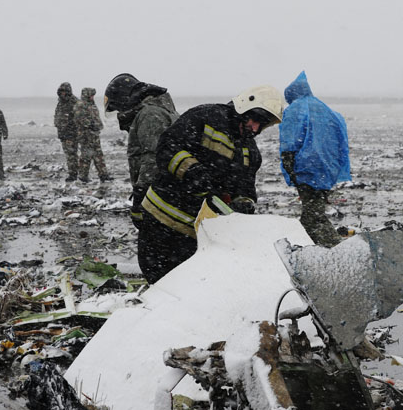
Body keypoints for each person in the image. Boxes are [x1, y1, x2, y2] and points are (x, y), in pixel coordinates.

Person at [136, 84, 285, 283]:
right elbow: (167, 147)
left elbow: (245, 187)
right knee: (157, 280)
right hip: (160, 219)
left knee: (181, 286)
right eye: (255, 119)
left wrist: (244, 203)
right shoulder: (205, 117)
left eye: (262, 124)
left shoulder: (250, 152)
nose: (256, 128)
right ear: (244, 107)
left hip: (194, 233)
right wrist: (190, 170)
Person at [279, 71, 351, 247]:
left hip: (306, 168)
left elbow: (290, 141)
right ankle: (319, 249)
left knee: (313, 218)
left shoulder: (296, 109)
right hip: (327, 169)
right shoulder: (326, 110)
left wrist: (290, 167)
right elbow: (340, 140)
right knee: (313, 213)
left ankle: (336, 251)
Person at [103, 73, 179, 228]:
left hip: (161, 194)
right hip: (167, 190)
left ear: (124, 99)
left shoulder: (150, 114)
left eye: (118, 107)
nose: (119, 113)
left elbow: (153, 156)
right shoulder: (154, 111)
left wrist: (142, 192)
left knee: (157, 240)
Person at [73, 87, 111, 183]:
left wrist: (98, 126)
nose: (93, 97)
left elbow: (95, 117)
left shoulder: (91, 105)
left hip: (94, 135)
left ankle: (103, 175)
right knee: (86, 156)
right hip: (86, 135)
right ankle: (83, 176)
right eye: (91, 95)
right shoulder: (80, 105)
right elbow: (79, 118)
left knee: (98, 155)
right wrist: (90, 125)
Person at [54, 82, 80, 182]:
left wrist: (71, 127)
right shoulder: (60, 102)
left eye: (64, 91)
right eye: (61, 92)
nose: (63, 94)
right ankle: (73, 173)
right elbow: (57, 116)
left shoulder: (74, 102)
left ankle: (73, 174)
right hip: (63, 133)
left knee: (72, 155)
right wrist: (58, 126)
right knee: (69, 155)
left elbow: (78, 117)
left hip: (71, 133)